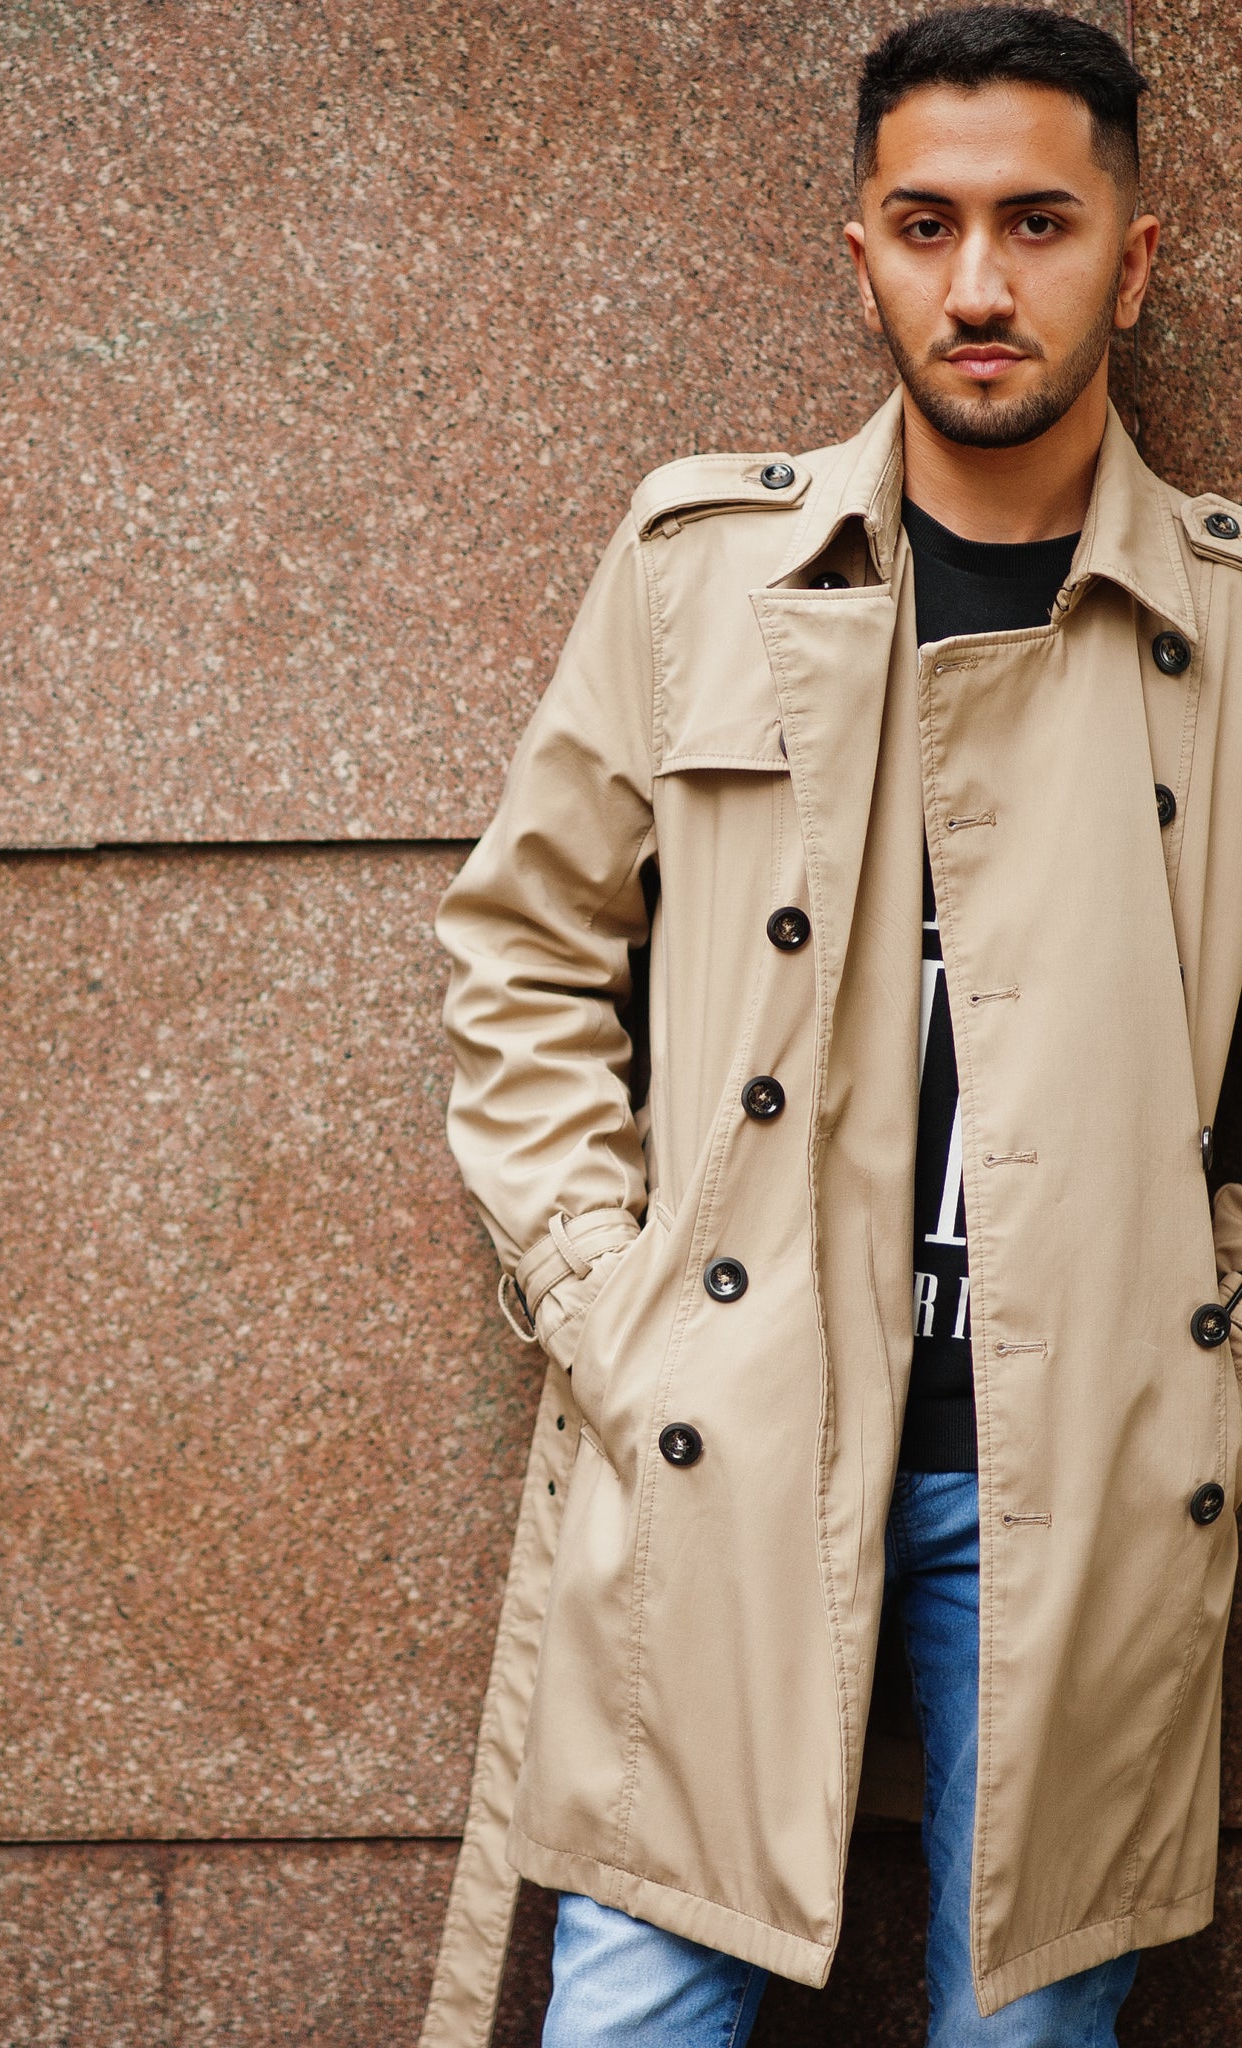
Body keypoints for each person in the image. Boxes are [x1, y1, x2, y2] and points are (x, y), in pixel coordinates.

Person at [419, 9, 1242, 2045]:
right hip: (733, 1430)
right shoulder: (706, 565)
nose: (980, 284)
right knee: (626, 2014)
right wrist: (609, 1302)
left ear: (1131, 262)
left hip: (1087, 1463)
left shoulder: (1225, 632)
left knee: (1025, 2024)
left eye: (1038, 222)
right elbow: (521, 953)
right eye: (927, 222)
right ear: (855, 249)